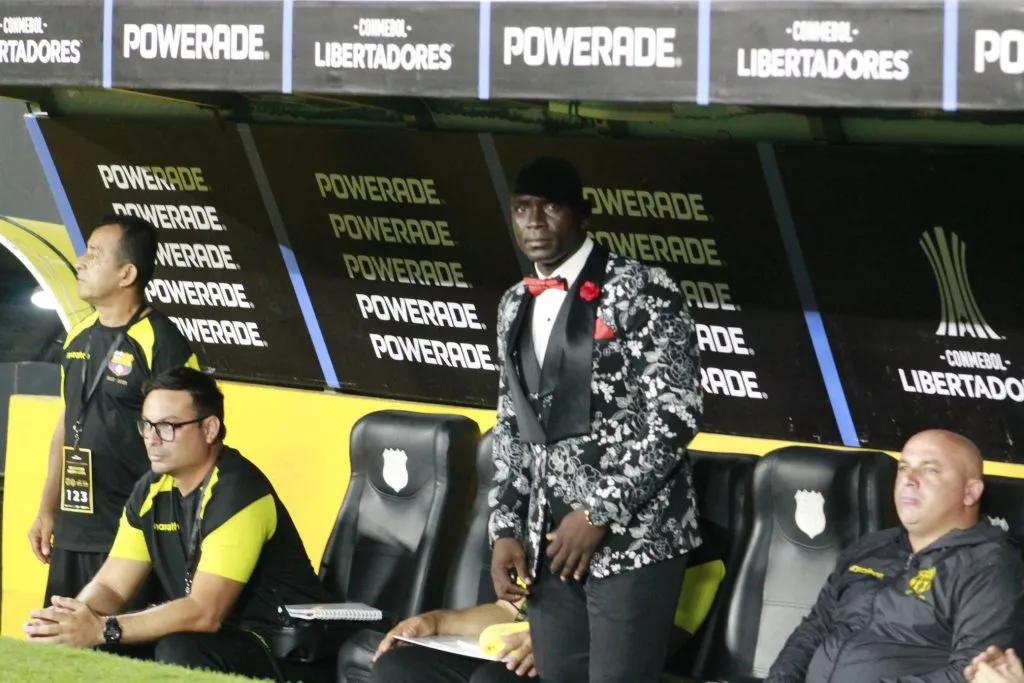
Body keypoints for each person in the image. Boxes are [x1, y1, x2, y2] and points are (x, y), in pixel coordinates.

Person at [487, 157, 703, 683]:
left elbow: (676, 415)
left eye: (550, 207)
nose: (534, 221)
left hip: (634, 538)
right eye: (522, 209)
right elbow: (512, 422)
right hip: (548, 545)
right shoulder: (513, 303)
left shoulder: (644, 287)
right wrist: (505, 528)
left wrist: (597, 511)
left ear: (584, 215)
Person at [24, 367, 333, 679]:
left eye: (167, 426)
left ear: (209, 428)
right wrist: (72, 621)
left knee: (176, 649)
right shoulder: (151, 489)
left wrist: (102, 629)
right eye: (146, 425)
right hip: (219, 639)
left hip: (285, 647)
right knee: (106, 642)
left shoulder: (239, 492)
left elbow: (204, 612)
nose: (152, 439)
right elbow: (111, 586)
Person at [28, 214, 198, 611]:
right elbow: (67, 422)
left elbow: (191, 439)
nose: (80, 262)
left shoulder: (162, 342)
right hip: (74, 529)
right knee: (62, 638)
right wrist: (47, 508)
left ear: (127, 274)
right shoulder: (77, 335)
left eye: (94, 254)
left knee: (118, 644)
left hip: (132, 536)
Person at [765, 429, 1024, 683]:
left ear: (970, 492)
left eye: (930, 470)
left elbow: (971, 674)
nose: (909, 479)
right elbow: (815, 629)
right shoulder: (870, 547)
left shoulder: (990, 565)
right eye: (903, 468)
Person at [369, 534, 727, 683]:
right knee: (400, 666)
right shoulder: (563, 532)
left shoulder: (689, 552)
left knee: (495, 681)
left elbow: (649, 647)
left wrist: (558, 640)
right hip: (531, 653)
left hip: (592, 666)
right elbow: (509, 611)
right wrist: (435, 622)